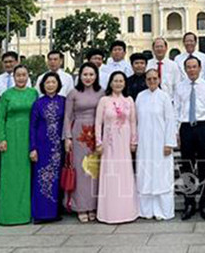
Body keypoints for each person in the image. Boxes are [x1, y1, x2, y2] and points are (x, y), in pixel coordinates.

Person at [174, 56, 205, 221]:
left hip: (203, 127)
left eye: (194, 67)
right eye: (189, 67)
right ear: (185, 70)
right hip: (186, 127)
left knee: (204, 167)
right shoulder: (179, 87)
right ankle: (189, 203)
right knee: (186, 167)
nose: (192, 70)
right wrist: (176, 132)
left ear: (200, 68)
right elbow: (176, 110)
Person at [95, 71, 139, 224]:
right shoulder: (104, 100)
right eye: (115, 80)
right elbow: (98, 123)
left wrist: (134, 141)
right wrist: (98, 142)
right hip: (109, 142)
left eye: (121, 81)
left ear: (124, 83)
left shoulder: (129, 100)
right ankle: (109, 212)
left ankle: (127, 211)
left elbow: (133, 122)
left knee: (125, 173)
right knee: (110, 173)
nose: (118, 83)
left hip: (125, 142)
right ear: (110, 83)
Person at [0, 65, 38, 226]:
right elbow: (0, 118)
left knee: (27, 175)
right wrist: (2, 139)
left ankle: (26, 213)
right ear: (14, 77)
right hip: (11, 137)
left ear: (28, 76)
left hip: (28, 136)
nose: (21, 78)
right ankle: (9, 214)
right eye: (18, 75)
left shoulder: (33, 93)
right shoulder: (6, 95)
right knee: (10, 175)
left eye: (24, 75)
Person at [63, 63, 103, 223]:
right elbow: (67, 117)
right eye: (85, 74)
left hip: (96, 133)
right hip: (78, 133)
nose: (88, 78)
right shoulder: (73, 93)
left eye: (91, 74)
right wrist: (67, 137)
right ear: (80, 76)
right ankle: (80, 206)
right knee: (80, 171)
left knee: (94, 170)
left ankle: (93, 206)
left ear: (96, 76)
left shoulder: (102, 92)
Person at [136, 69, 177, 220]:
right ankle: (146, 211)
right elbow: (136, 121)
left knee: (161, 177)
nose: (152, 81)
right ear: (145, 80)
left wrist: (169, 143)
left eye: (154, 78)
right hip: (144, 144)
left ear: (159, 79)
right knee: (145, 175)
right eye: (149, 79)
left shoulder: (165, 97)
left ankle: (162, 211)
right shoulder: (140, 97)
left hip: (161, 145)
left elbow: (170, 121)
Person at [29, 72, 66, 223]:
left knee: (56, 180)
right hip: (42, 146)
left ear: (58, 84)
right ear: (43, 86)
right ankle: (41, 214)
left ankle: (54, 212)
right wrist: (32, 148)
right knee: (41, 179)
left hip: (58, 147)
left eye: (53, 82)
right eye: (47, 83)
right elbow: (32, 127)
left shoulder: (64, 101)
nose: (50, 85)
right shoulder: (38, 103)